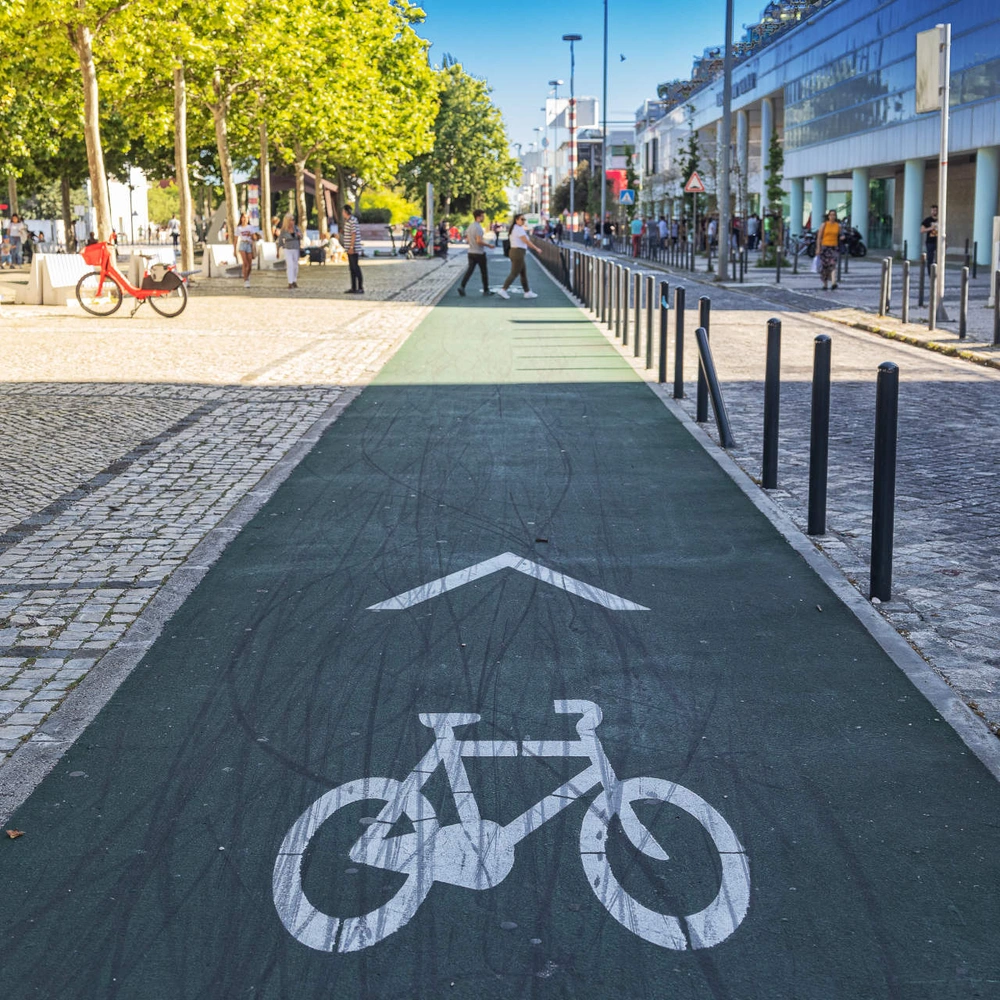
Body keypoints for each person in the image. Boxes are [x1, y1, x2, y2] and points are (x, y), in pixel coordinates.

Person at [497, 213, 539, 300]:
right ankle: (503, 289)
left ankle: (527, 292)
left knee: (523, 273)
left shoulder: (516, 228)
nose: (523, 221)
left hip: (517, 252)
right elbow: (526, 241)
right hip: (518, 252)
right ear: (517, 220)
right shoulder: (518, 229)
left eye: (524, 219)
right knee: (514, 273)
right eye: (522, 219)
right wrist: (536, 248)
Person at [457, 208, 493, 297]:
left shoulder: (470, 226)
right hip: (479, 252)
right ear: (478, 217)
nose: (483, 218)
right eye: (482, 216)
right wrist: (488, 245)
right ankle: (486, 290)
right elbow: (479, 241)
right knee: (484, 272)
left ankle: (462, 286)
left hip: (471, 252)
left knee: (469, 270)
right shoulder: (478, 228)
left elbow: (468, 239)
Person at [816, 209, 841, 291]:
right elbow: (819, 237)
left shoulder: (838, 226)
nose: (832, 216)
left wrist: (842, 238)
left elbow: (839, 235)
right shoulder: (824, 225)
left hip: (834, 247)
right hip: (825, 247)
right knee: (825, 266)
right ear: (828, 216)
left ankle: (834, 282)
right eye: (831, 215)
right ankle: (825, 284)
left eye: (834, 215)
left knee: (833, 264)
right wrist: (818, 248)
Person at [341, 203, 363, 293]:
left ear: (346, 212)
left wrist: (351, 246)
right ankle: (353, 287)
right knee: (351, 268)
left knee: (355, 267)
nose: (342, 213)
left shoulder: (353, 220)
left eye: (343, 211)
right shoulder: (348, 221)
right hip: (349, 248)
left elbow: (353, 234)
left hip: (353, 248)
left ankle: (360, 287)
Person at [234, 211, 259, 288]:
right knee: (245, 263)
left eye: (246, 217)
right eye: (244, 217)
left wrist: (251, 234)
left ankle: (247, 276)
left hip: (249, 244)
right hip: (242, 244)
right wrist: (234, 250)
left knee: (250, 264)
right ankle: (245, 280)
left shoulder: (250, 227)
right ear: (241, 218)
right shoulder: (239, 228)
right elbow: (235, 239)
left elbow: (255, 237)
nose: (245, 219)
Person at [278, 213, 301, 289]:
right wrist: (277, 251)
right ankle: (290, 282)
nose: (293, 221)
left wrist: (299, 235)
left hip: (296, 248)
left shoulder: (296, 228)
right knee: (290, 265)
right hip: (287, 248)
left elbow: (301, 236)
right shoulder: (284, 230)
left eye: (293, 220)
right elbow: (280, 241)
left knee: (295, 266)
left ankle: (294, 280)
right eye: (291, 220)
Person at [921, 205, 939, 276]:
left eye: (936, 210)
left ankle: (937, 273)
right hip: (930, 242)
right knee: (930, 258)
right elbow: (922, 230)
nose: (934, 212)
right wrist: (930, 228)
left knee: (938, 259)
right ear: (931, 211)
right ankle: (930, 274)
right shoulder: (927, 220)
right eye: (933, 210)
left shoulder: (940, 219)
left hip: (938, 242)